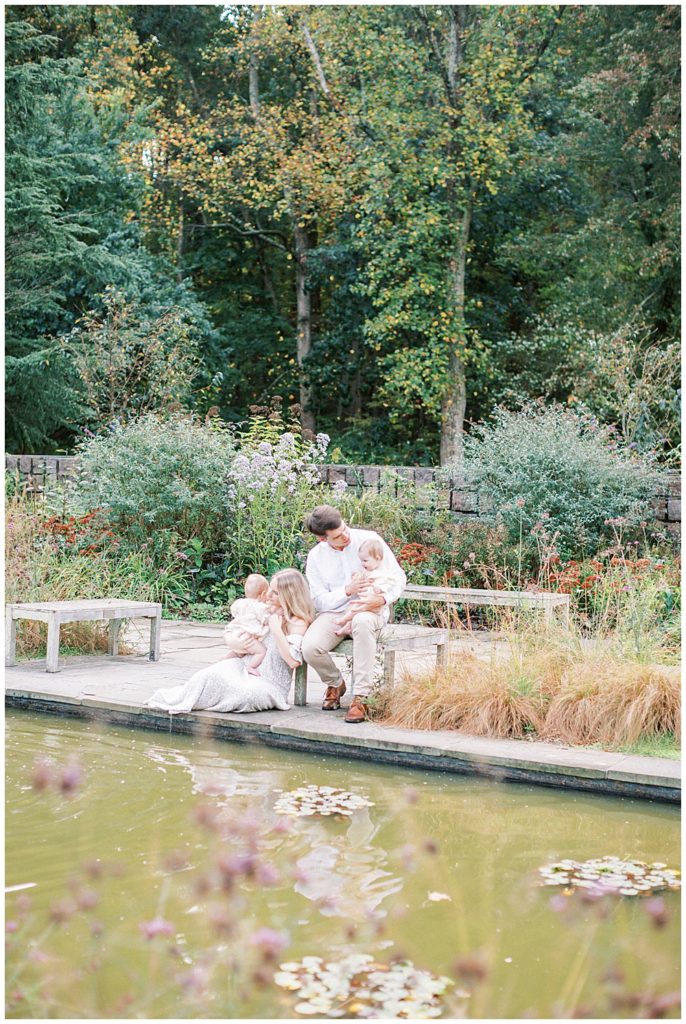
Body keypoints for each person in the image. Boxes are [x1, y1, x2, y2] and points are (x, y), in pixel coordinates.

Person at [146, 569, 314, 715]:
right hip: (244, 666)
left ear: (289, 596)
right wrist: (232, 651)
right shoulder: (265, 611)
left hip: (269, 681)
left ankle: (213, 700)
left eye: (276, 593)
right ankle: (190, 701)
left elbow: (293, 661)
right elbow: (249, 641)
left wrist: (277, 630)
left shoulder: (297, 622)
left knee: (245, 695)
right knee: (207, 676)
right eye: (270, 589)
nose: (268, 595)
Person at [302, 505, 406, 723]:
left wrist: (383, 598)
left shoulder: (369, 539)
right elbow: (319, 599)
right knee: (310, 648)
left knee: (362, 622)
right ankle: (335, 683)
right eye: (338, 536)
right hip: (336, 612)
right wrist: (347, 590)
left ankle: (361, 696)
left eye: (345, 528)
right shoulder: (315, 557)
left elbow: (397, 576)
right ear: (323, 539)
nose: (346, 536)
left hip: (370, 608)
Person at [334, 538, 400, 636]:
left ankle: (343, 620)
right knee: (355, 611)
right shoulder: (368, 571)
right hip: (365, 600)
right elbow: (361, 577)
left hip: (375, 605)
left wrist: (379, 588)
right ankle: (346, 628)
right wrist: (356, 576)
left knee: (356, 609)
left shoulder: (383, 574)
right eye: (361, 560)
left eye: (365, 560)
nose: (362, 563)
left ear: (377, 558)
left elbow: (389, 584)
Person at [222, 573, 270, 675]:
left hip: (231, 634)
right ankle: (251, 667)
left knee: (239, 652)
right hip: (245, 637)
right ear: (263, 594)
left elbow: (233, 612)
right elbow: (266, 619)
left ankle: (224, 660)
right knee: (261, 651)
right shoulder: (259, 606)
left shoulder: (239, 602)